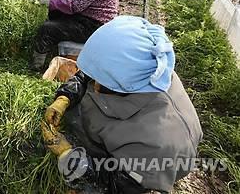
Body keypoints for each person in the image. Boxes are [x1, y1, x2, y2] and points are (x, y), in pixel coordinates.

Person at [41, 16, 202, 194]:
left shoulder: (154, 146)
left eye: (99, 80)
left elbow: (115, 183)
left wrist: (70, 156)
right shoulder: (143, 69)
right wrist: (65, 97)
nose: (94, 82)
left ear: (123, 87)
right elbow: (88, 73)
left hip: (138, 172)